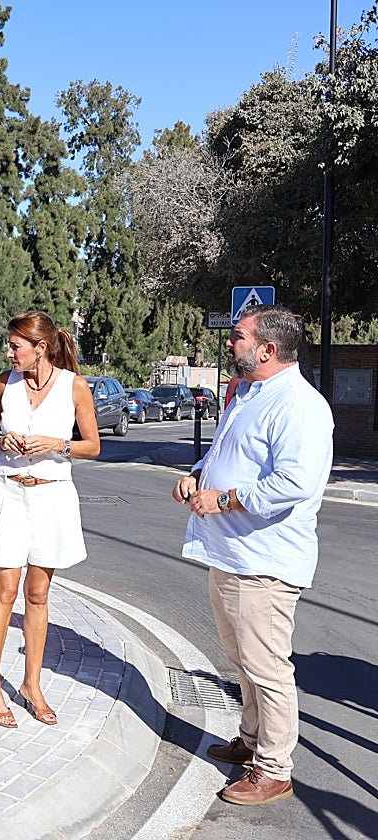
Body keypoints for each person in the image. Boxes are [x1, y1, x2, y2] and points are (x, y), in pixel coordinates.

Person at [171, 304, 333, 806]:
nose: (229, 342)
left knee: (267, 667)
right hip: (233, 555)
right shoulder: (249, 395)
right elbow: (227, 453)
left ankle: (274, 768)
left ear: (266, 349)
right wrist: (198, 474)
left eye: (237, 336)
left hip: (265, 561)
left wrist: (221, 500)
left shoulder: (300, 405)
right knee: (244, 661)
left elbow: (293, 482)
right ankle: (252, 739)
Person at [0, 311, 100, 728]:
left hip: (51, 496)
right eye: (10, 345)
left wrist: (58, 444)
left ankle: (32, 684)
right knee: (4, 589)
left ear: (40, 349)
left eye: (16, 346)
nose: (9, 352)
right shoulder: (4, 383)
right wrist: (0, 438)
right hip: (8, 492)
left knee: (37, 594)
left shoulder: (74, 386)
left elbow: (93, 446)